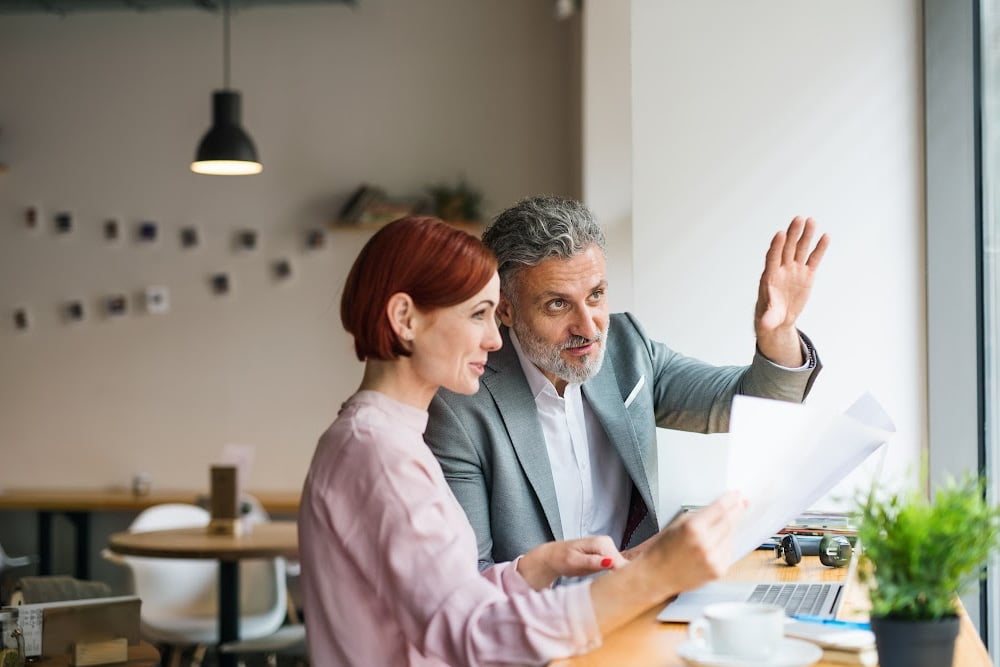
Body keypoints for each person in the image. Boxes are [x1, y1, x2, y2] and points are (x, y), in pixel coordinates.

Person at [298, 215, 745, 666]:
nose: (495, 340)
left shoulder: (385, 438)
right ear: (404, 318)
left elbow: (454, 604)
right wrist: (650, 577)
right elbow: (470, 639)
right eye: (478, 315)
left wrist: (540, 565)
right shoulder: (379, 456)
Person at [425, 195, 829, 569]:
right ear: (506, 310)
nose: (588, 327)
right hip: (535, 626)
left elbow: (751, 405)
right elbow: (468, 581)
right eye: (558, 304)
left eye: (596, 295)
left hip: (637, 605)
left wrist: (779, 334)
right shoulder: (460, 405)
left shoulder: (626, 347)